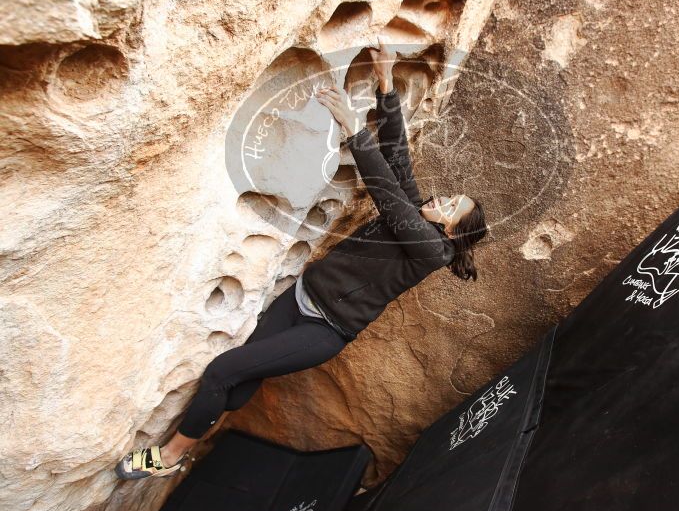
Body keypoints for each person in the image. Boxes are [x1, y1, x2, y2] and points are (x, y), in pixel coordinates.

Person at [115, 38, 488, 480]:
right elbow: (398, 160)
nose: (441, 199)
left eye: (450, 207)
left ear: (450, 232)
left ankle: (170, 457)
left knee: (220, 373)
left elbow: (388, 194)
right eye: (449, 196)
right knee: (236, 390)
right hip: (300, 297)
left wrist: (352, 126)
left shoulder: (430, 250)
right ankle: (204, 428)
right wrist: (387, 84)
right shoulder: (419, 214)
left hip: (325, 329)